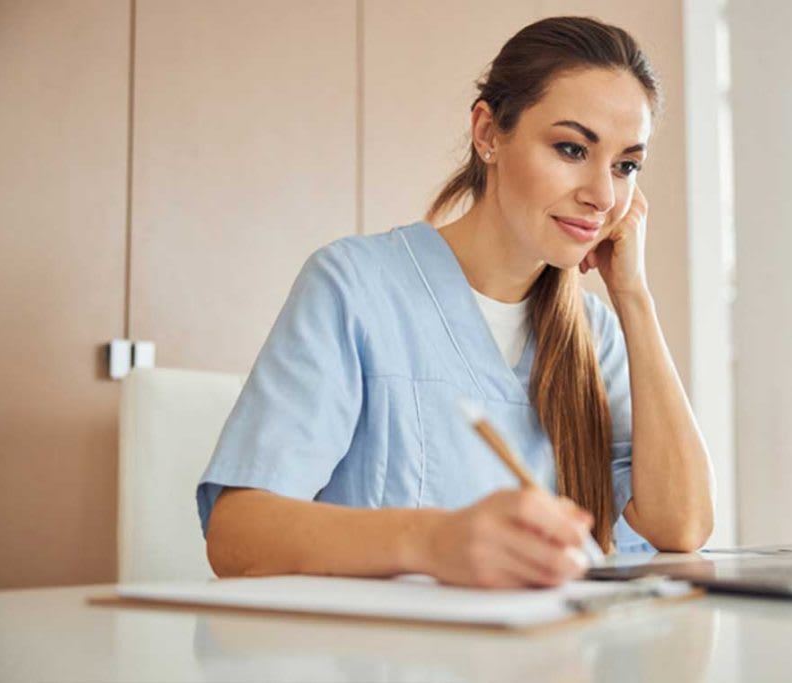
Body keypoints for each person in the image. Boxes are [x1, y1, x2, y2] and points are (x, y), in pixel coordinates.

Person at [198, 15, 715, 589]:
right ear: (489, 134)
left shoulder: (595, 334)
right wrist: (432, 542)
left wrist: (633, 296)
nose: (602, 195)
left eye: (626, 166)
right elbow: (236, 535)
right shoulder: (355, 287)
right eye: (571, 148)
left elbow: (683, 528)